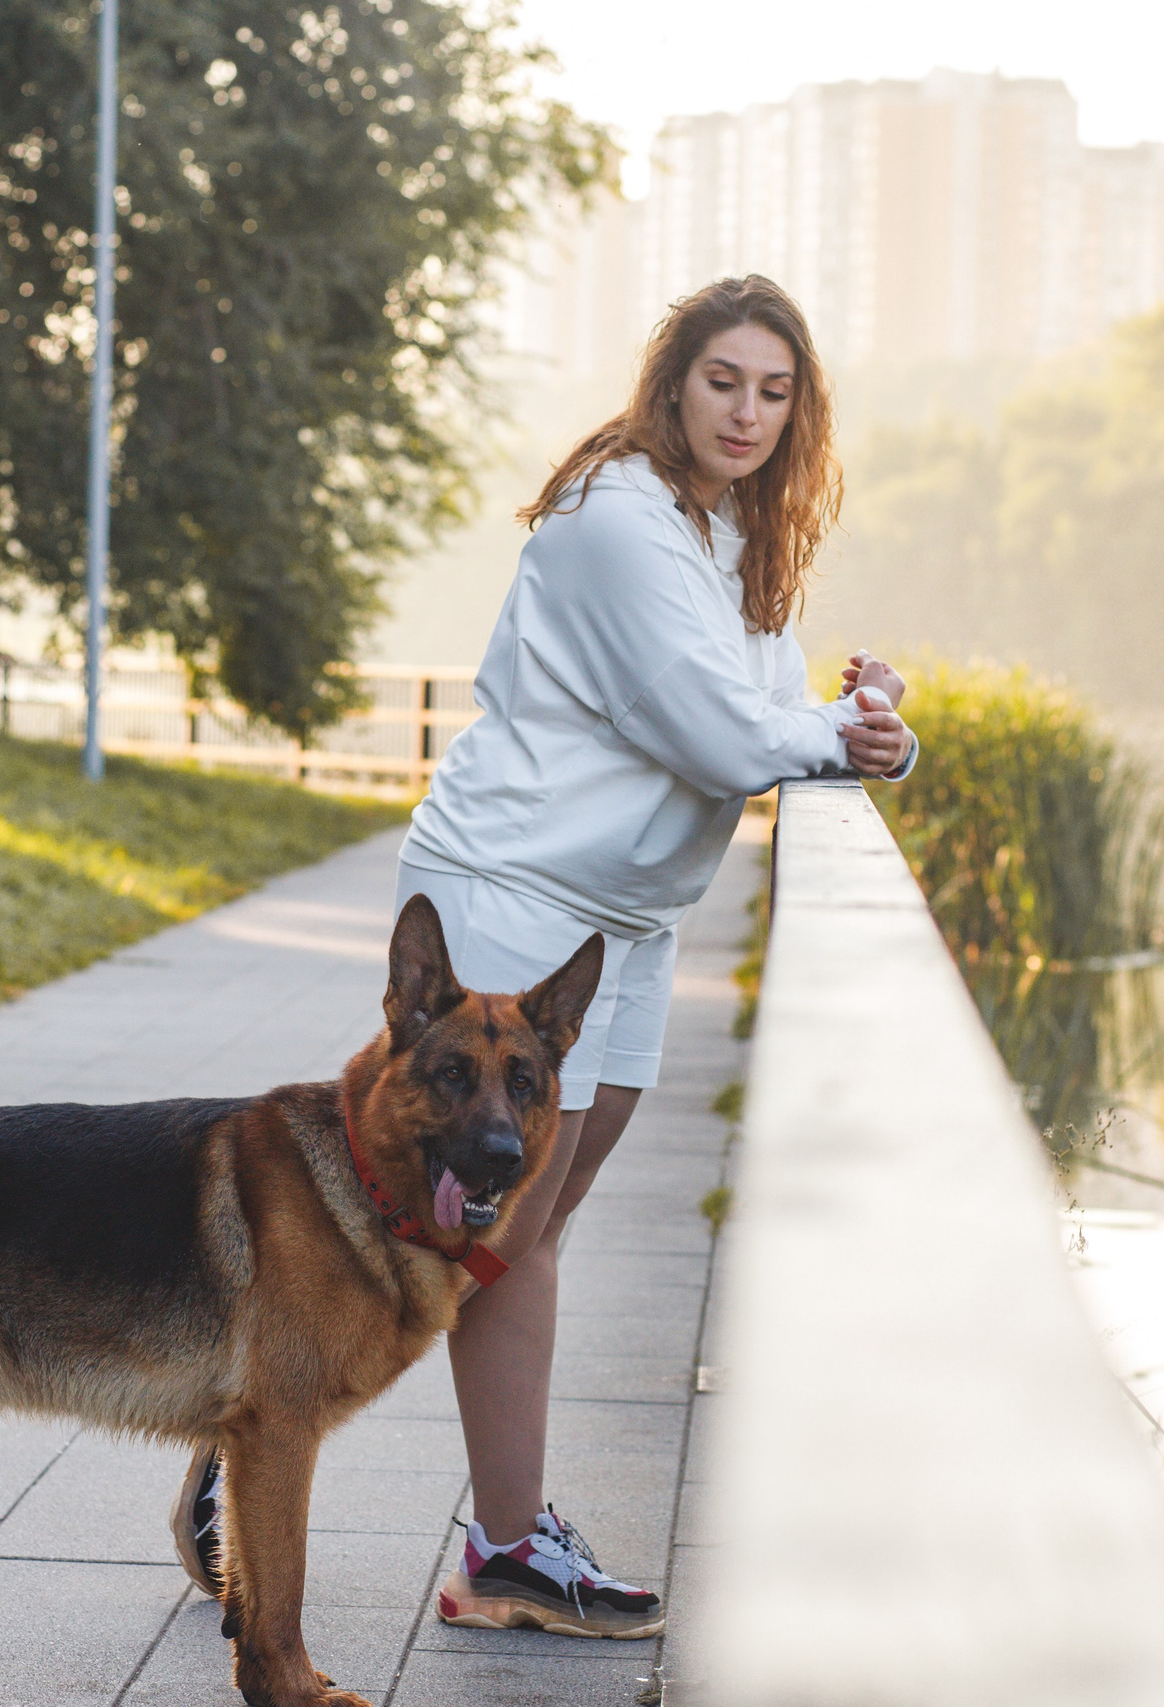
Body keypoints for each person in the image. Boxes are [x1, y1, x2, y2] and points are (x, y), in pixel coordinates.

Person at [169, 274, 915, 1638]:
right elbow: (714, 734)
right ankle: (430, 1516)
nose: (746, 412)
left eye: (774, 390)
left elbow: (771, 707)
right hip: (510, 899)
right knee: (473, 1236)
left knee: (527, 1235)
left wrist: (869, 726)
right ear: (671, 384)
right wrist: (823, 735)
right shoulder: (621, 519)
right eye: (722, 382)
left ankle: (429, 1521)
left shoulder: (731, 527)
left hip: (617, 921)